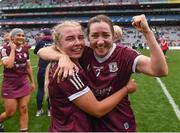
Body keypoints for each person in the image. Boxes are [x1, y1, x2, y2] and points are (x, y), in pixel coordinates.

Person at [38, 14, 168, 131]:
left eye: (106, 35)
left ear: (114, 36)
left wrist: (147, 31)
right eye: (94, 36)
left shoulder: (125, 55)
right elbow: (43, 51)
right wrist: (62, 57)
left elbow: (160, 70)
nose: (100, 42)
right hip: (91, 124)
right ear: (88, 38)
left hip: (119, 125)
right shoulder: (82, 55)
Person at [45, 21, 137, 132]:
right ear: (58, 44)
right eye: (70, 39)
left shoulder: (72, 61)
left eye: (80, 37)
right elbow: (97, 110)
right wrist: (126, 89)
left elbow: (42, 51)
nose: (77, 43)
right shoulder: (68, 72)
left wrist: (62, 57)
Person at [0, 28, 35, 132]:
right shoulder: (4, 49)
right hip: (10, 85)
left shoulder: (25, 49)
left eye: (23, 35)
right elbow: (9, 65)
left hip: (23, 83)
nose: (21, 37)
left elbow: (28, 67)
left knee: (24, 109)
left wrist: (32, 82)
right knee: (10, 112)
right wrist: (13, 49)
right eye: (18, 35)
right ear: (12, 37)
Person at [34, 29, 53, 117]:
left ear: (45, 34)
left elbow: (36, 52)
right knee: (51, 88)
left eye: (42, 33)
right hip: (52, 68)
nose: (40, 35)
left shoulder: (40, 42)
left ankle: (39, 110)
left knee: (41, 88)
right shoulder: (54, 42)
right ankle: (50, 110)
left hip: (42, 68)